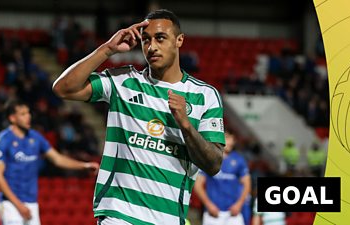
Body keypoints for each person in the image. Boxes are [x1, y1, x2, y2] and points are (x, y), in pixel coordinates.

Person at [53, 9, 225, 225]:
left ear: (179, 40)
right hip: (119, 215)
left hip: (169, 218)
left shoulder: (205, 96)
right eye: (145, 40)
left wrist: (186, 126)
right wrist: (107, 49)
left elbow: (214, 164)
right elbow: (63, 88)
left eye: (160, 38)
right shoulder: (123, 81)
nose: (151, 46)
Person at [0, 99, 99, 225]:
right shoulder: (2, 140)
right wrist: (18, 205)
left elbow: (57, 159)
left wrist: (84, 165)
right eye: (23, 114)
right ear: (12, 118)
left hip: (31, 203)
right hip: (11, 204)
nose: (28, 117)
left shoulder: (35, 137)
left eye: (28, 113)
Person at [194, 131, 251, 225]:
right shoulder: (210, 158)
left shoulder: (239, 160)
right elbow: (198, 184)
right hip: (213, 213)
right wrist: (208, 204)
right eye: (227, 138)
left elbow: (247, 184)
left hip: (233, 214)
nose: (230, 142)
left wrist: (239, 204)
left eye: (232, 139)